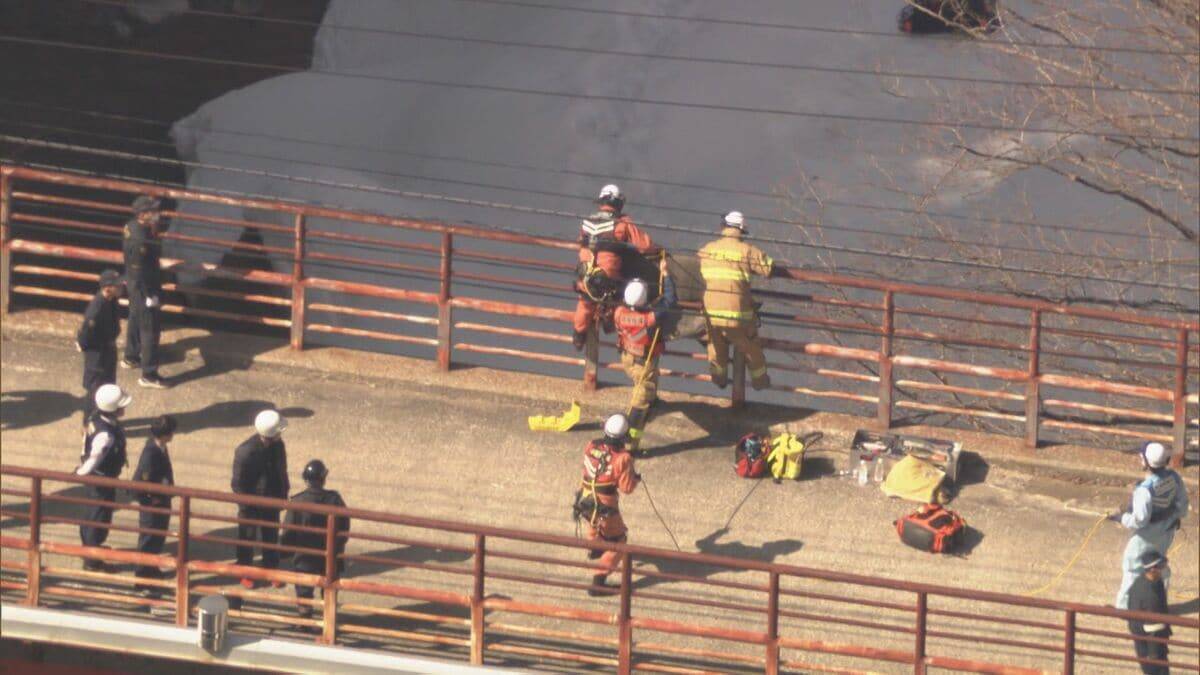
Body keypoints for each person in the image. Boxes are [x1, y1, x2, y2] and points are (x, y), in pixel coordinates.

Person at [573, 184, 657, 351]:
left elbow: (581, 245)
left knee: (585, 302)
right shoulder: (622, 223)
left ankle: (578, 336)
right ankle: (612, 324)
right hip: (609, 280)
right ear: (618, 203)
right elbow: (645, 245)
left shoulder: (587, 222)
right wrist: (658, 250)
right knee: (628, 295)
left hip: (586, 277)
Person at [698, 211, 774, 391]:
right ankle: (760, 381)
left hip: (711, 312)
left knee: (716, 346)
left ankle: (719, 378)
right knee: (750, 347)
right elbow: (768, 268)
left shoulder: (707, 249)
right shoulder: (747, 251)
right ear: (741, 230)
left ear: (723, 227)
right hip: (737, 314)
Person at [1114, 441, 1188, 610]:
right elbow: (1182, 503)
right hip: (1168, 528)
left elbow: (1140, 520)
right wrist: (1177, 517)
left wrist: (1122, 518)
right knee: (1158, 563)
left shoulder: (1144, 490)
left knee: (1133, 565)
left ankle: (1125, 607)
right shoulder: (1174, 478)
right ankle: (1159, 604)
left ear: (1145, 462)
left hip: (1147, 533)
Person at [613, 256, 676, 452]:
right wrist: (665, 275)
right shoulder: (647, 319)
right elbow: (669, 301)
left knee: (649, 385)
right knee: (639, 404)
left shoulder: (619, 312)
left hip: (628, 357)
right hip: (643, 363)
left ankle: (652, 402)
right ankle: (630, 444)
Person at [575, 414, 640, 596]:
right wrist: (634, 477)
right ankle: (599, 582)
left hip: (585, 496)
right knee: (619, 540)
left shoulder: (591, 445)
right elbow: (626, 488)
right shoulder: (624, 458)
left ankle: (595, 548)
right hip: (605, 503)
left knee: (594, 523)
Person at [281, 460, 350, 619]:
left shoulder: (297, 502)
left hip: (305, 556)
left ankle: (305, 620)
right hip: (330, 555)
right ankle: (329, 620)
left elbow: (288, 531)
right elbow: (345, 527)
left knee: (304, 590)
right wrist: (338, 547)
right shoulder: (335, 500)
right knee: (329, 589)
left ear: (306, 480)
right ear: (323, 479)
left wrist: (285, 552)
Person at [231, 409, 290, 588]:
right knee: (246, 537)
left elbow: (282, 471)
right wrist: (248, 502)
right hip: (251, 505)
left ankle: (271, 568)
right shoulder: (245, 452)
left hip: (272, 499)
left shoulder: (278, 446)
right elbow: (238, 483)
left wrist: (283, 492)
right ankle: (245, 570)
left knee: (271, 536)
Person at [75, 384, 131, 571]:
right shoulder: (106, 434)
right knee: (98, 517)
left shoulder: (96, 417)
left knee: (95, 513)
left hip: (99, 477)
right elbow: (94, 458)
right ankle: (92, 559)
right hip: (101, 479)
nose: (125, 408)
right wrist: (82, 472)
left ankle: (92, 548)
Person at [122, 195, 168, 389]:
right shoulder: (141, 239)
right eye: (153, 211)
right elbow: (140, 269)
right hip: (144, 286)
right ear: (143, 214)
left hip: (133, 284)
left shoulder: (132, 226)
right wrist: (150, 295)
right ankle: (149, 374)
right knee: (150, 330)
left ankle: (131, 356)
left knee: (134, 317)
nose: (157, 214)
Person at [132, 415, 176, 592]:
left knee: (157, 537)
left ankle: (151, 568)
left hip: (160, 501)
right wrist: (152, 500)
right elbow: (141, 484)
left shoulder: (159, 446)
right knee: (148, 540)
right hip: (153, 505)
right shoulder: (151, 453)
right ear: (165, 434)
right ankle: (142, 578)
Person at [76, 269, 124, 420]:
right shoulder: (96, 308)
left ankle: (107, 416)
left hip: (108, 349)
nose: (121, 286)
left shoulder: (112, 300)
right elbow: (86, 332)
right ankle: (88, 422)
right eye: (117, 285)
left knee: (109, 386)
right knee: (94, 389)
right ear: (107, 288)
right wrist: (83, 345)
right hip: (97, 353)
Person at [1126, 551, 1172, 675]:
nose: (1164, 567)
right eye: (1162, 565)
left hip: (1143, 636)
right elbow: (1153, 627)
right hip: (1151, 643)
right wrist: (1154, 654)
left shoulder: (1143, 582)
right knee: (1158, 670)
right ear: (1153, 569)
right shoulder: (1151, 594)